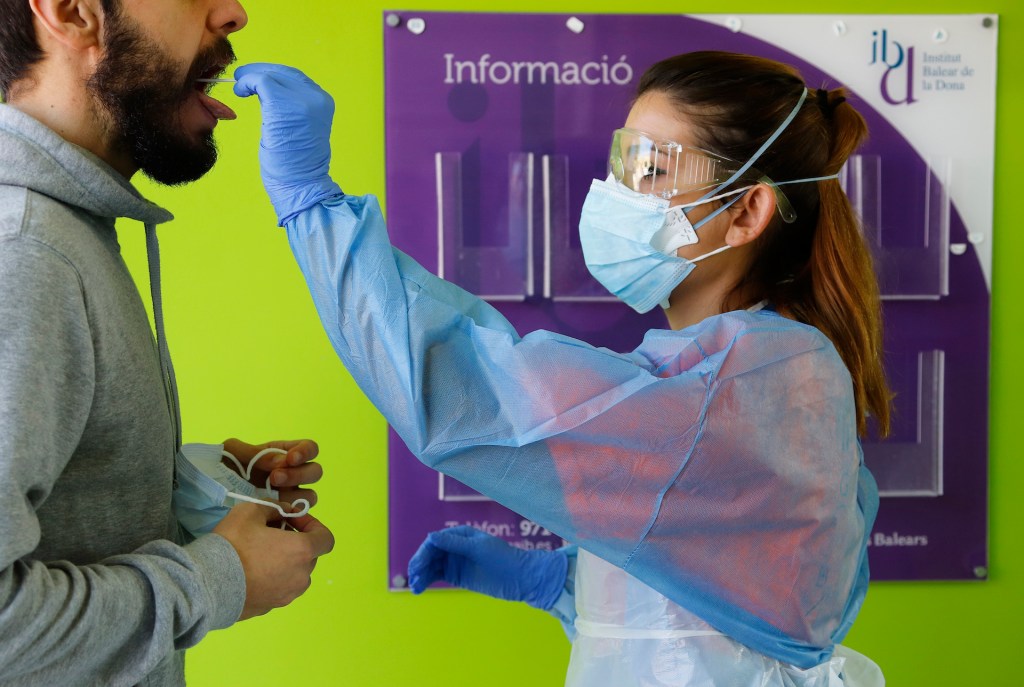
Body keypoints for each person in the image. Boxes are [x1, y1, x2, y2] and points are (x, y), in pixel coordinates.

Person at [235, 51, 889, 685]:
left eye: (654, 170)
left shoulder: (741, 379)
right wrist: (567, 582)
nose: (619, 193)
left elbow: (463, 392)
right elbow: (735, 582)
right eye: (624, 162)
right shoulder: (772, 365)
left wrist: (310, 202)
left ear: (747, 211)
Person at [0, 1, 334, 685]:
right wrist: (218, 576)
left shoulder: (65, 234)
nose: (234, 13)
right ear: (72, 14)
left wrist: (189, 502)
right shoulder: (25, 251)